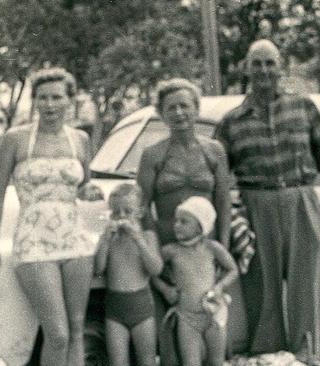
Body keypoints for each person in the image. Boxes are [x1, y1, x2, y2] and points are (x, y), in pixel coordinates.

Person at [215, 39, 320, 364]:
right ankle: (270, 359)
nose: (264, 70)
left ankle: (311, 357)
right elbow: (215, 176)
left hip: (301, 201)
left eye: (270, 63)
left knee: (307, 289)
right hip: (256, 207)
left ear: (280, 67)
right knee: (262, 291)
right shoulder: (231, 121)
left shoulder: (303, 107)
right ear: (247, 68)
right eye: (257, 63)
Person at [0, 67, 96, 366]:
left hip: (76, 239)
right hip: (33, 241)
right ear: (34, 102)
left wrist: (91, 192)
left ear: (70, 101)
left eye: (57, 97)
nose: (49, 105)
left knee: (76, 331)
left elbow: (82, 187)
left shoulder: (81, 140)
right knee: (56, 333)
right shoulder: (15, 139)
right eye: (42, 98)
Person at [137, 78, 231, 366]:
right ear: (161, 114)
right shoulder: (152, 154)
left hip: (205, 252)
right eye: (171, 108)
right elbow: (143, 208)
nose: (179, 113)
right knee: (174, 329)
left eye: (184, 106)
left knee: (213, 324)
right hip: (168, 250)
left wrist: (221, 250)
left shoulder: (213, 150)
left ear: (196, 109)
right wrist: (156, 255)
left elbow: (223, 202)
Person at [152, 196, 238, 366]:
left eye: (184, 222)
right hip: (187, 317)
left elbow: (233, 269)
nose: (177, 225)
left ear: (201, 227)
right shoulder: (171, 251)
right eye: (176, 221)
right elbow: (151, 272)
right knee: (190, 362)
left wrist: (220, 286)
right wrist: (165, 289)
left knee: (216, 361)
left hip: (213, 314)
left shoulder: (212, 248)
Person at [94, 183, 163, 366]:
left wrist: (139, 240)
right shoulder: (110, 239)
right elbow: (98, 269)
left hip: (142, 307)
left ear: (140, 212)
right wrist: (105, 241)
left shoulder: (147, 237)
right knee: (117, 362)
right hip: (115, 308)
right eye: (116, 212)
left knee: (147, 360)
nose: (122, 217)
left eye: (128, 211)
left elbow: (156, 268)